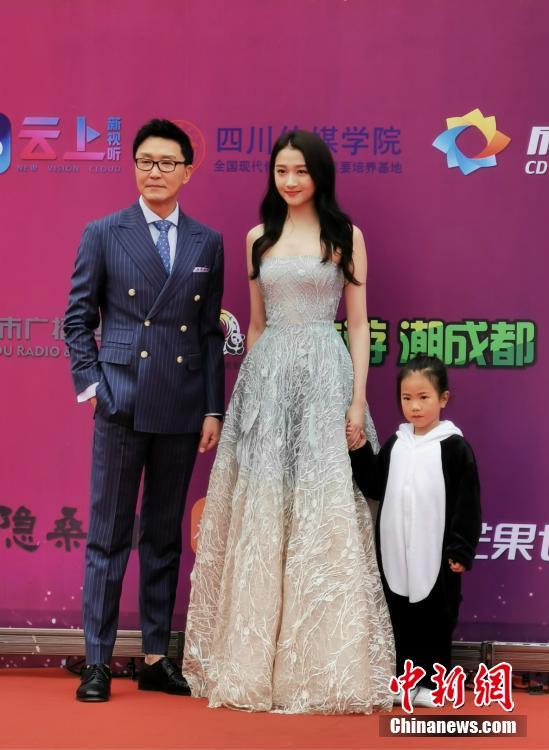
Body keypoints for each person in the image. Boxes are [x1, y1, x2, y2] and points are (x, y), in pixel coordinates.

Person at [183, 130, 394, 714]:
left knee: (322, 512)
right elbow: (255, 324)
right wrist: (251, 397)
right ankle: (253, 663)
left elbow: (358, 324)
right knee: (266, 515)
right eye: (282, 171)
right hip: (268, 382)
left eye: (301, 171)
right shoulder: (258, 238)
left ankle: (323, 665)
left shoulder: (345, 235)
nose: (291, 181)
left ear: (319, 175)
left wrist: (357, 401)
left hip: (327, 378)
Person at [64, 119, 225, 702]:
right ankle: (98, 661)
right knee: (107, 536)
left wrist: (213, 408)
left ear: (187, 171)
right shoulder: (105, 232)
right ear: (134, 166)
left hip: (181, 405)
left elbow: (208, 334)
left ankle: (156, 656)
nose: (155, 172)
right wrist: (95, 387)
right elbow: (76, 320)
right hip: (121, 401)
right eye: (146, 161)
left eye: (167, 163)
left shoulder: (207, 241)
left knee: (162, 536)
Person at [348, 355, 481, 709]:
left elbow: (467, 504)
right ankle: (406, 682)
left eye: (424, 397)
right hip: (395, 551)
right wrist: (359, 450)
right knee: (400, 618)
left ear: (443, 398)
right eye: (407, 398)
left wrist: (461, 549)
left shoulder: (454, 448)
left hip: (436, 554)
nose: (415, 406)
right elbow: (375, 485)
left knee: (435, 619)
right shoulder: (397, 443)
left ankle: (434, 683)